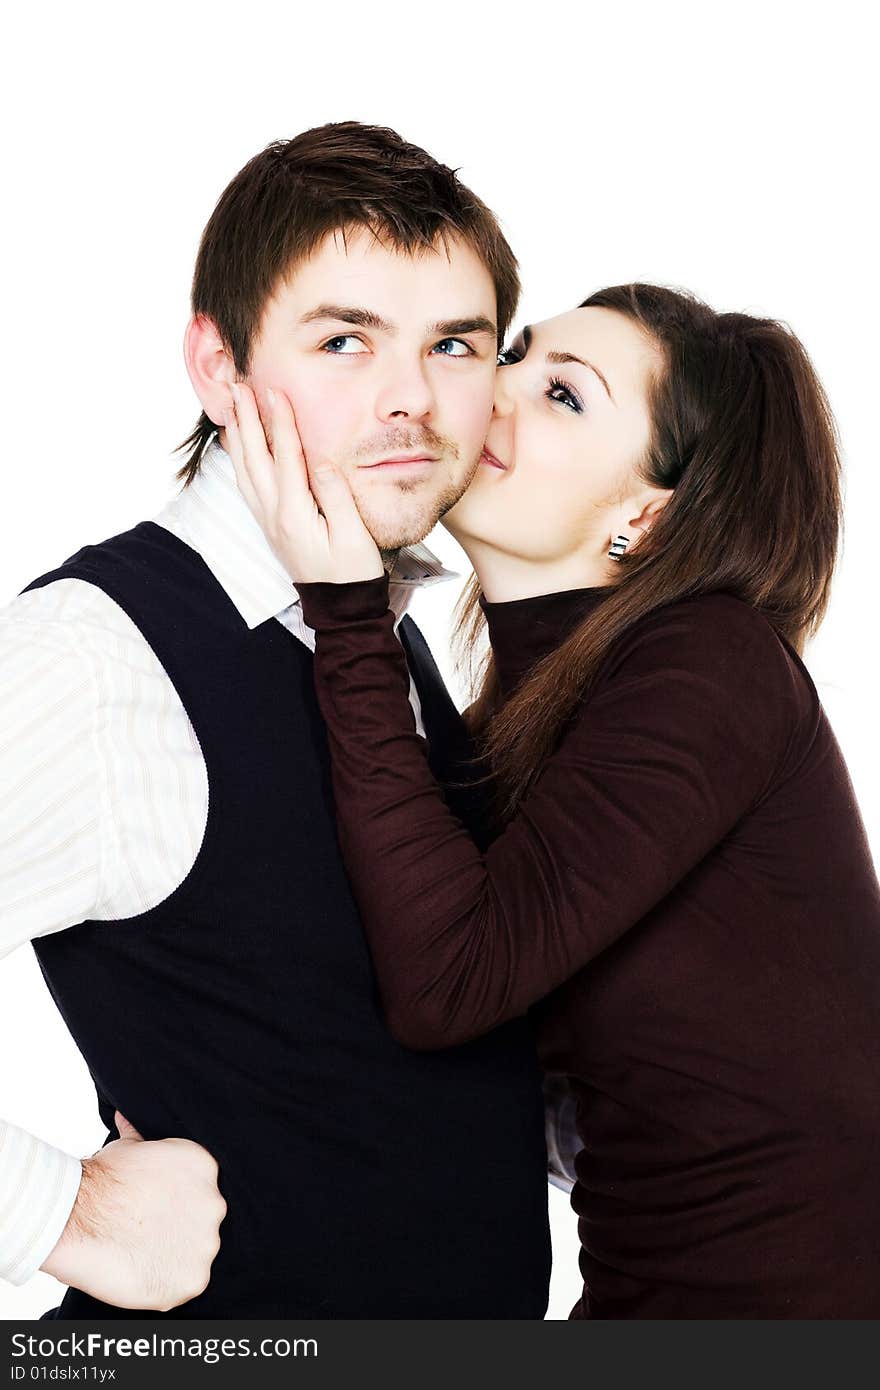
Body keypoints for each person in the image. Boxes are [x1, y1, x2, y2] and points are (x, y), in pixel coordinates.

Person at [227, 282, 880, 1318]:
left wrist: (348, 612)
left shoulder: (709, 667)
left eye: (564, 395)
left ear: (646, 517)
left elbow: (449, 981)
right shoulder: (516, 727)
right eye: (514, 355)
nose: (496, 388)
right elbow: (426, 1021)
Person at [0, 122, 554, 1318]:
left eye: (452, 343)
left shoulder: (372, 624)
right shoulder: (99, 658)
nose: (410, 399)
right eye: (345, 338)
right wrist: (64, 1216)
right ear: (216, 365)